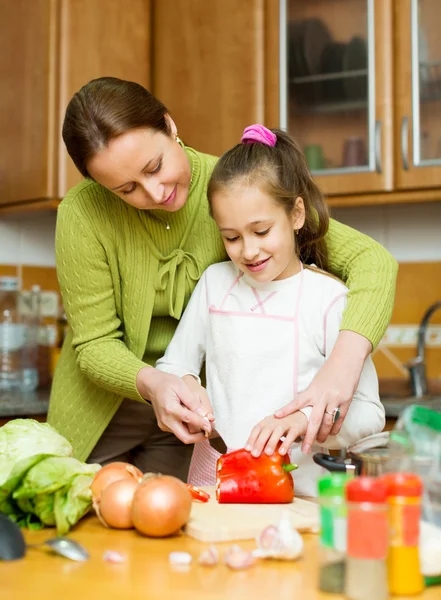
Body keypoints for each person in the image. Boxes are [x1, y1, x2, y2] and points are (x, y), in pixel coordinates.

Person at [48, 77, 396, 480]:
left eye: (155, 166)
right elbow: (94, 345)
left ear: (170, 125)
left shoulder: (233, 191)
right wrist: (157, 383)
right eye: (127, 189)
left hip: (191, 420)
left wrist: (341, 368)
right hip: (102, 410)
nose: (155, 191)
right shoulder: (82, 213)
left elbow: (374, 261)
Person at [155, 124, 385, 495]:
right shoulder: (215, 284)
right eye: (231, 237)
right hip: (221, 487)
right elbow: (173, 365)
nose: (248, 251)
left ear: (296, 215)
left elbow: (370, 415)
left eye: (261, 231)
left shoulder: (328, 299)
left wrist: (305, 419)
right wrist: (183, 386)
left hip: (307, 494)